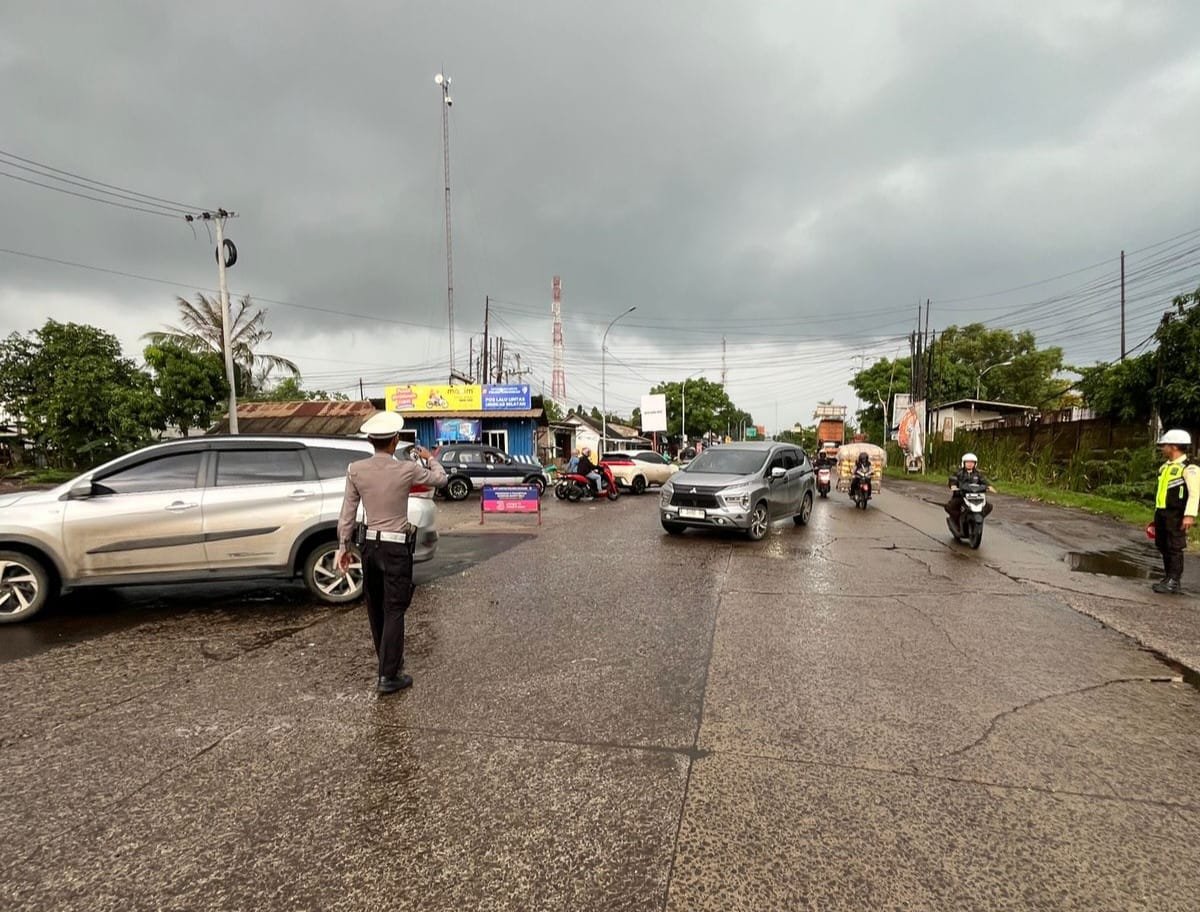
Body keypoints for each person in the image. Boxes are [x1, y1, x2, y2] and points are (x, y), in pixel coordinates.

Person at [336, 412, 447, 694]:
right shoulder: (407, 469)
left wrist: (343, 547)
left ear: (371, 440)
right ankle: (389, 675)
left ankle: (386, 663)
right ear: (395, 439)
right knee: (395, 609)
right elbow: (441, 479)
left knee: (376, 608)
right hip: (397, 548)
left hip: (369, 547)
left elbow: (348, 512)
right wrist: (429, 456)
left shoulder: (355, 469)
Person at [1151, 429, 1199, 594]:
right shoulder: (1165, 467)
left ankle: (1174, 580)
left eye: (1164, 445)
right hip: (1162, 512)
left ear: (1174, 446)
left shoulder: (1189, 468)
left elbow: (1194, 494)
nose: (1162, 448)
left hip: (1177, 514)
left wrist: (1189, 515)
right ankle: (1168, 576)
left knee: (1174, 546)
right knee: (1163, 544)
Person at [945, 452, 996, 525]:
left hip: (976, 496)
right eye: (968, 462)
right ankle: (956, 521)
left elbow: (984, 480)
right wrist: (953, 485)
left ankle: (979, 517)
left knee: (989, 506)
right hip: (961, 495)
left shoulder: (978, 474)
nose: (970, 464)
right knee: (949, 507)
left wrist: (989, 486)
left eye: (972, 462)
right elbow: (953, 479)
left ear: (975, 463)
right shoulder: (958, 472)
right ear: (964, 463)